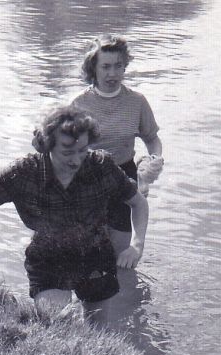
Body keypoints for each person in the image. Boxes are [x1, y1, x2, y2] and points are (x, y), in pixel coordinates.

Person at [0, 106, 149, 325]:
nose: (76, 160)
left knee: (99, 331)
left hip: (95, 255)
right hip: (49, 258)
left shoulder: (101, 166)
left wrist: (136, 245)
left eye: (82, 150)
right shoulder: (25, 173)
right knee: (57, 324)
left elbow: (138, 203)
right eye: (67, 151)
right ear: (47, 145)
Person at [72, 34, 164, 254]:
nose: (112, 74)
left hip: (124, 175)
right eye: (105, 67)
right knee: (86, 251)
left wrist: (154, 160)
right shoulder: (78, 103)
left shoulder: (137, 101)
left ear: (125, 67)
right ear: (93, 68)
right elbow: (64, 149)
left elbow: (152, 138)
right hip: (88, 177)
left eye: (118, 66)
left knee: (120, 252)